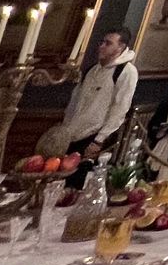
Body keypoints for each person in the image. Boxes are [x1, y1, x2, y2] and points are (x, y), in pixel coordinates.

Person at [39, 26, 138, 184]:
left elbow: (120, 108)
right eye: (102, 42)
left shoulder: (126, 71)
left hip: (93, 136)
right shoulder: (92, 70)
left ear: (121, 47)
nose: (102, 46)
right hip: (73, 134)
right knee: (58, 181)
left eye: (108, 43)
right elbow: (75, 102)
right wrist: (65, 130)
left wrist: (99, 139)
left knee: (79, 182)